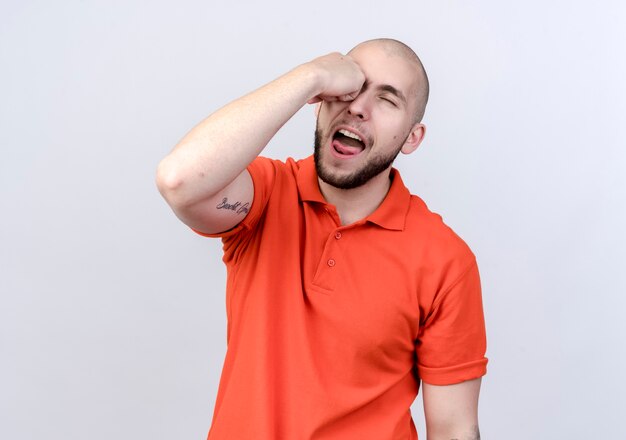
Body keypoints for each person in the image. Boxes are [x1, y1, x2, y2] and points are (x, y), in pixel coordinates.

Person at [156, 38, 487, 440]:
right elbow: (180, 180)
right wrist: (310, 75)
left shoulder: (445, 260)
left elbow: (453, 428)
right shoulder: (265, 195)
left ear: (412, 138)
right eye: (351, 87)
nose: (357, 107)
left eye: (386, 100)